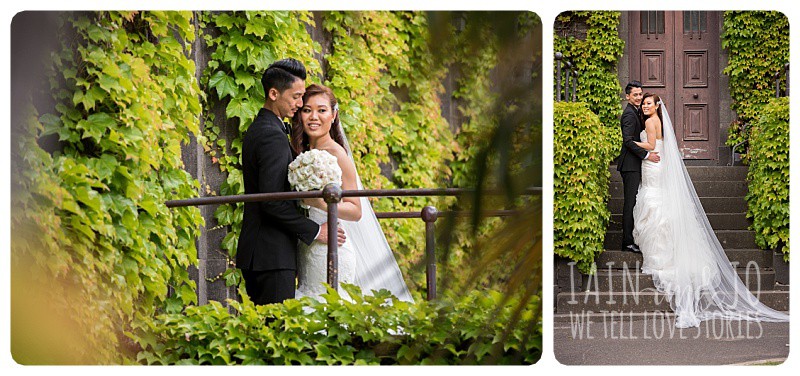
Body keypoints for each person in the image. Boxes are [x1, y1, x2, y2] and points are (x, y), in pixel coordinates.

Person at [632, 92, 789, 328]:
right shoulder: (660, 121)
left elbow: (652, 145)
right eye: (643, 103)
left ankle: (660, 253)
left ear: (656, 106)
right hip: (659, 163)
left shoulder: (649, 122)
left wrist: (632, 143)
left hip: (653, 162)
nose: (645, 106)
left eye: (648, 103)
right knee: (660, 202)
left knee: (654, 202)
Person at [291, 83, 414, 302]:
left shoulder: (338, 155)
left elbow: (356, 210)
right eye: (307, 110)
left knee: (325, 305)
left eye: (322, 110)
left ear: (333, 115)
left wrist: (318, 202)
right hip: (309, 244)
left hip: (332, 245)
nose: (313, 117)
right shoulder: (303, 154)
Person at [237, 59, 345, 305]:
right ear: (273, 93)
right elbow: (272, 201)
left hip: (266, 253)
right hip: (270, 255)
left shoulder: (265, 128)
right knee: (275, 332)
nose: (300, 104)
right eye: (296, 97)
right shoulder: (271, 135)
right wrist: (316, 231)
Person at [616, 80, 660, 253]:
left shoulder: (638, 112)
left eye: (640, 94)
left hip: (635, 164)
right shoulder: (628, 114)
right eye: (635, 95)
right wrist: (647, 155)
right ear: (627, 96)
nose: (639, 98)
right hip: (630, 165)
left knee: (634, 202)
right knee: (630, 203)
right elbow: (627, 141)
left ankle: (634, 237)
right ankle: (627, 242)